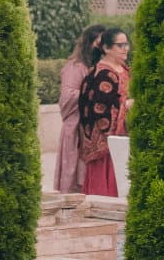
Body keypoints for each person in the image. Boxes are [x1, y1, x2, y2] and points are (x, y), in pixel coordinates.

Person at [77, 26, 130, 198]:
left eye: (126, 44)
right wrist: (127, 105)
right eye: (120, 45)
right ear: (106, 48)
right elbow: (100, 108)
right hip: (107, 141)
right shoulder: (103, 74)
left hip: (124, 134)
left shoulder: (123, 69)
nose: (125, 49)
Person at [55, 24, 107, 193]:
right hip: (76, 127)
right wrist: (93, 94)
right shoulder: (76, 66)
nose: (100, 48)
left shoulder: (101, 66)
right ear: (89, 43)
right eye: (97, 43)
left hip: (96, 130)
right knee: (74, 178)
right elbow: (67, 95)